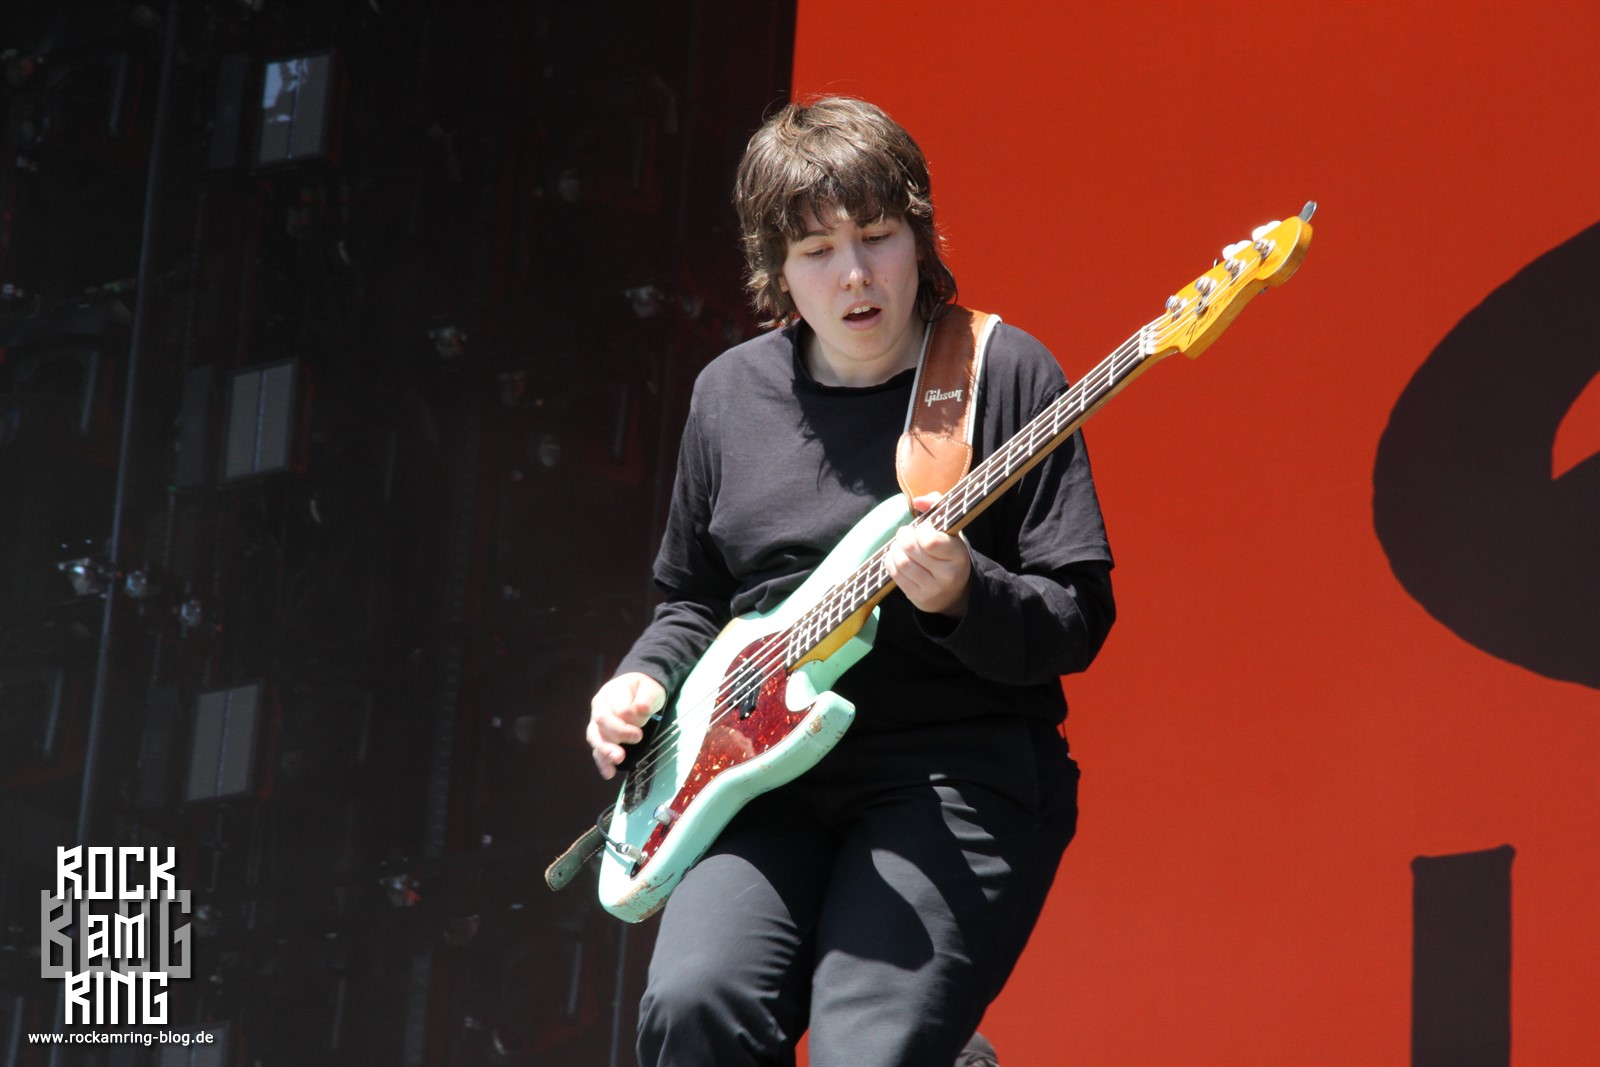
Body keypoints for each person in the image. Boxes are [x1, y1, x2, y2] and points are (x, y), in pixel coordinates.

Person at [585, 96, 1115, 1067]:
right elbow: (693, 598)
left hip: (953, 770)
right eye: (818, 250)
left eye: (877, 236)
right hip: (755, 778)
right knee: (695, 1005)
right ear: (776, 268)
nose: (856, 274)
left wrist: (963, 594)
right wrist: (641, 680)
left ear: (921, 238)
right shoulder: (729, 395)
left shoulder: (1003, 372)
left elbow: (1076, 615)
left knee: (868, 1048)